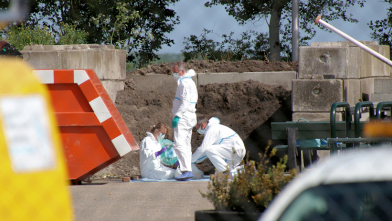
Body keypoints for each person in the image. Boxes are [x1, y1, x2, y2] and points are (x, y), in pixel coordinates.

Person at [171, 61, 198, 181]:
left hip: (184, 117)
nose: (174, 75)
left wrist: (177, 116)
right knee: (186, 144)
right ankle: (188, 170)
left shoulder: (185, 84)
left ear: (182, 72)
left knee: (178, 144)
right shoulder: (187, 82)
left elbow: (185, 102)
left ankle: (185, 169)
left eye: (175, 72)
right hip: (189, 117)